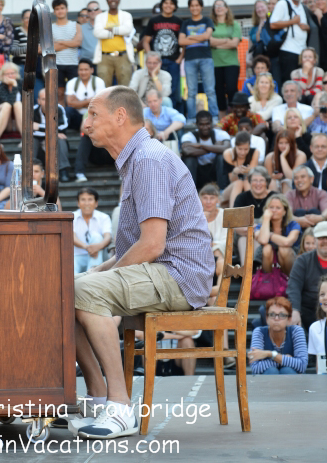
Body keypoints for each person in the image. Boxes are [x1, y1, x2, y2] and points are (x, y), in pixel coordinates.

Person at [70, 86, 214, 440]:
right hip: (162, 269)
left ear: (120, 116)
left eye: (93, 114)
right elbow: (135, 249)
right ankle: (98, 397)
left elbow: (151, 245)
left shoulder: (148, 159)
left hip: (178, 275)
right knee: (67, 289)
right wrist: (97, 272)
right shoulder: (138, 159)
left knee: (82, 291)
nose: (86, 124)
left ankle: (120, 406)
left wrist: (95, 281)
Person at [142, 0, 183, 113]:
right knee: (155, 89)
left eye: (171, 3)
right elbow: (146, 41)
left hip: (173, 61)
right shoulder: (154, 21)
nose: (168, 5)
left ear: (175, 6)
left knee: (173, 91)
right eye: (166, 3)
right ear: (162, 5)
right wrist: (151, 58)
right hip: (157, 62)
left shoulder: (179, 22)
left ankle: (171, 116)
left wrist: (179, 59)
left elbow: (184, 43)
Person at [179, 0, 217, 121]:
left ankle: (214, 117)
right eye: (192, 5)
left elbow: (207, 36)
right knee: (191, 92)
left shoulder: (207, 20)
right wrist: (200, 37)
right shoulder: (186, 23)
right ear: (189, 8)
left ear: (201, 7)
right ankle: (191, 118)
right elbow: (181, 41)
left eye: (197, 5)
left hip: (206, 58)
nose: (194, 8)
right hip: (189, 59)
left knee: (210, 90)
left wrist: (190, 37)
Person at [248, 297, 308, 375]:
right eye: (272, 314)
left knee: (287, 370)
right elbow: (255, 367)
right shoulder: (259, 332)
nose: (276, 318)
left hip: (292, 380)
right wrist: (285, 359)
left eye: (282, 315)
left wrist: (270, 354)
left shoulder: (296, 331)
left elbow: (302, 365)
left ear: (289, 319)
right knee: (272, 371)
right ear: (267, 318)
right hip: (267, 380)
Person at [269, 0, 310, 87]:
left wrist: (306, 27)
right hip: (288, 51)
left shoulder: (302, 6)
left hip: (302, 53)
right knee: (289, 85)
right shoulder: (283, 4)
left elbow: (303, 25)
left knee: (301, 85)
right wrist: (292, 21)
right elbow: (273, 24)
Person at [93, 0, 134, 88]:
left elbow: (128, 30)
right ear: (107, 0)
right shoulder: (100, 17)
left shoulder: (126, 15)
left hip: (123, 56)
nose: (113, 0)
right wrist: (118, 32)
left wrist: (110, 30)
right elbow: (97, 33)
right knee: (104, 87)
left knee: (124, 87)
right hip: (104, 57)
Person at [180, 110, 230, 190]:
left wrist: (201, 146)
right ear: (196, 124)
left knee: (222, 156)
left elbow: (226, 148)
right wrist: (214, 148)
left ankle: (222, 190)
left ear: (212, 123)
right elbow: (186, 152)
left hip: (215, 171)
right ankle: (189, 191)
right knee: (189, 159)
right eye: (201, 124)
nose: (205, 127)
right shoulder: (189, 136)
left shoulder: (220, 134)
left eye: (207, 124)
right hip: (197, 172)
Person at [32, 88, 72, 183]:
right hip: (39, 147)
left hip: (56, 149)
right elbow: (30, 130)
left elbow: (63, 127)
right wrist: (54, 132)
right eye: (43, 99)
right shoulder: (33, 110)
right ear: (38, 101)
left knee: (61, 139)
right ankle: (29, 170)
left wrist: (40, 127)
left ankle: (63, 171)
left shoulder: (59, 109)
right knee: (31, 140)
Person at [255, 193, 300, 276]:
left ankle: (290, 279)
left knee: (284, 249)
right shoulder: (260, 226)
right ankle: (268, 279)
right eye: (271, 207)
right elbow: (263, 240)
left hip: (290, 259)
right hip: (267, 261)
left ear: (284, 212)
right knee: (267, 248)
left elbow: (287, 242)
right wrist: (266, 219)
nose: (274, 210)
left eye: (278, 208)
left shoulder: (293, 225)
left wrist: (270, 235)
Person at [210, 0, 241, 114]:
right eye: (216, 6)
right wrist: (226, 40)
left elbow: (234, 43)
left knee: (232, 89)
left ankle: (234, 114)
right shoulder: (210, 24)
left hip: (231, 63)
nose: (219, 8)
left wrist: (216, 45)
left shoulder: (234, 24)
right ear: (214, 9)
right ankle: (222, 116)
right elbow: (209, 42)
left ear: (226, 8)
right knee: (219, 91)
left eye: (221, 5)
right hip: (215, 63)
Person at [72, 188, 112, 274]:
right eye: (83, 199)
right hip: (77, 255)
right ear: (78, 203)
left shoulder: (104, 217)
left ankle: (92, 274)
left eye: (90, 199)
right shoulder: (72, 217)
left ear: (96, 203)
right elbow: (71, 236)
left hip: (98, 256)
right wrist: (87, 247)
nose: (86, 203)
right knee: (72, 272)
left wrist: (98, 246)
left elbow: (108, 237)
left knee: (96, 236)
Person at [51, 0, 82, 106]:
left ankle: (72, 115)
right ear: (54, 11)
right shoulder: (50, 27)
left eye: (62, 8)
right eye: (57, 9)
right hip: (57, 64)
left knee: (74, 93)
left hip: (73, 64)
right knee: (59, 93)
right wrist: (70, 42)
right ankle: (61, 114)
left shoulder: (76, 25)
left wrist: (59, 42)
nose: (60, 11)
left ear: (67, 9)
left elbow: (77, 42)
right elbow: (50, 48)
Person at [200, 184, 226, 294]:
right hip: (200, 253)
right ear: (200, 200)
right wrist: (202, 220)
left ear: (218, 200)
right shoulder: (196, 215)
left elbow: (226, 239)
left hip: (219, 253)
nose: (208, 202)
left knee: (217, 250)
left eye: (212, 198)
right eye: (205, 198)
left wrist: (213, 245)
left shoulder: (224, 214)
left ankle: (218, 288)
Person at [221, 131, 259, 207]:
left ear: (249, 146)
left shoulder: (255, 152)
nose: (242, 152)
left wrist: (248, 172)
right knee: (239, 183)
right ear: (235, 146)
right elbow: (231, 180)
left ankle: (253, 210)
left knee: (245, 182)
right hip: (229, 189)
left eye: (246, 149)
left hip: (248, 185)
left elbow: (252, 179)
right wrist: (235, 172)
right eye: (240, 149)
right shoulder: (228, 154)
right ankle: (234, 211)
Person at [67, 59, 107, 127]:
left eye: (86, 69)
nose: (83, 72)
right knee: (68, 110)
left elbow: (100, 103)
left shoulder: (99, 81)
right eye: (81, 70)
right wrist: (89, 100)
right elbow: (70, 104)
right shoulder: (72, 82)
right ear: (77, 71)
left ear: (92, 70)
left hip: (93, 117)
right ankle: (62, 131)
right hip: (77, 117)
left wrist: (78, 102)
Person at [0, 63, 23, 138]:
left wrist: (14, 84)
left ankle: (25, 139)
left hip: (20, 118)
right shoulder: (0, 85)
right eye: (7, 74)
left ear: (16, 73)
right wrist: (14, 85)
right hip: (6, 121)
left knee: (18, 104)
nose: (10, 76)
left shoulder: (22, 83)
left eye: (12, 73)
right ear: (2, 75)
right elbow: (9, 102)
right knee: (6, 105)